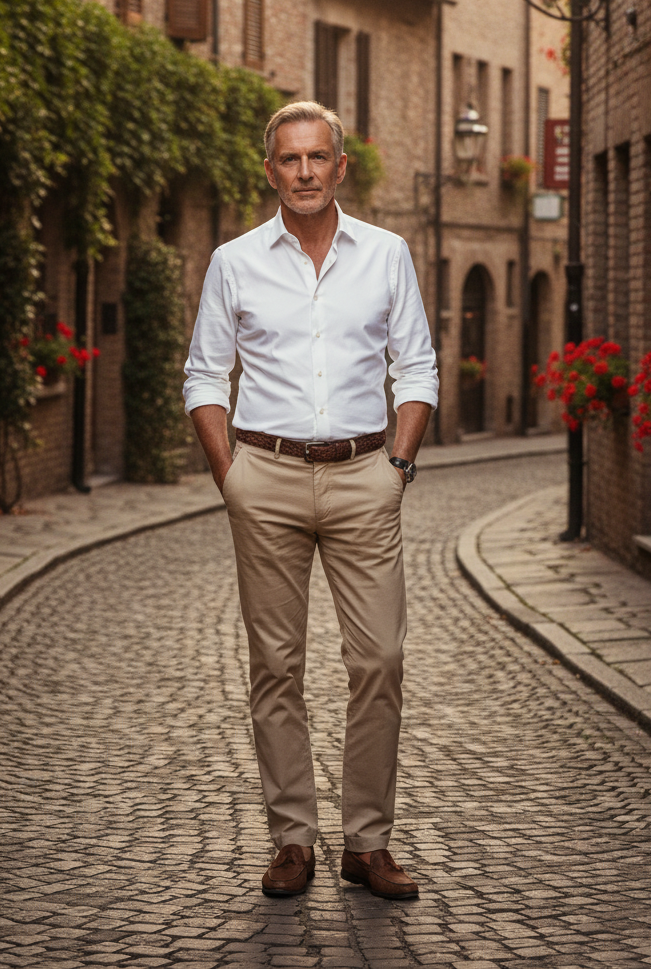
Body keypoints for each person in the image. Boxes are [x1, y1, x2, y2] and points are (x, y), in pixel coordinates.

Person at [183, 100, 438, 900]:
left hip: (367, 475)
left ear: (340, 166)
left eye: (316, 158)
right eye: (288, 160)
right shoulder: (235, 261)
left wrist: (397, 464)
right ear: (270, 171)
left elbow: (419, 368)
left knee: (380, 660)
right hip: (267, 475)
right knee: (276, 665)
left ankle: (367, 843)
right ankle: (292, 839)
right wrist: (234, 479)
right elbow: (203, 375)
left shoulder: (388, 254)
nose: (303, 172)